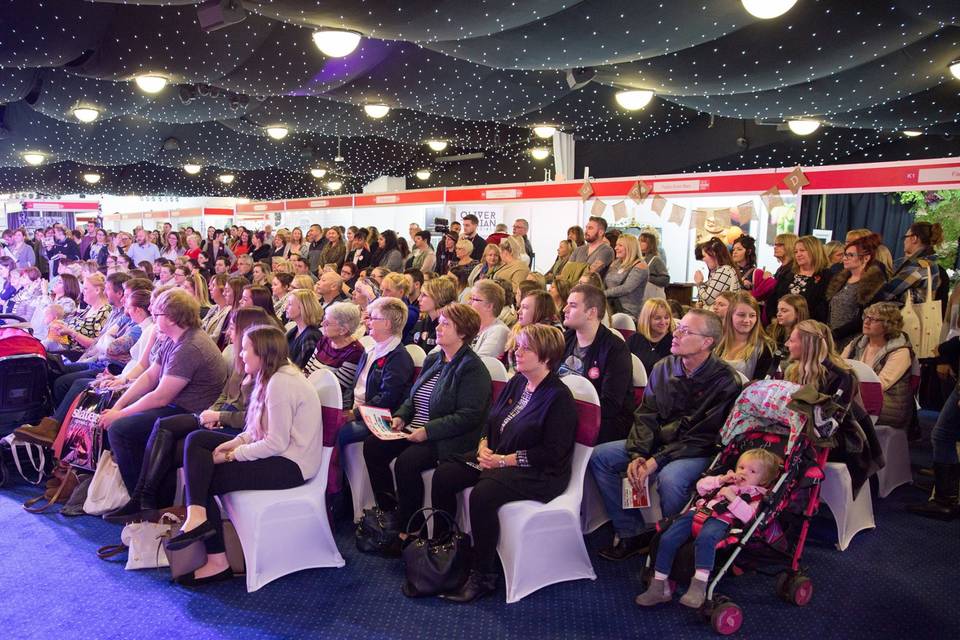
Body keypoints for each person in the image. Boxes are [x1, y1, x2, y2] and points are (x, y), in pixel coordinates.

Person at [165, 326, 323, 586]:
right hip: (280, 453)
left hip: (292, 464)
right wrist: (236, 443)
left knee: (208, 475)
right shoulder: (271, 377)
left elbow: (275, 442)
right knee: (197, 440)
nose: (241, 354)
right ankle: (197, 516)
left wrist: (231, 456)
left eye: (246, 349)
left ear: (262, 352)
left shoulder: (282, 382)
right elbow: (255, 430)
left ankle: (217, 561)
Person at [431, 323, 575, 602]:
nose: (515, 352)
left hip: (539, 472)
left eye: (525, 348)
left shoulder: (558, 398)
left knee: (484, 493)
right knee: (445, 474)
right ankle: (446, 549)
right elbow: (492, 420)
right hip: (498, 458)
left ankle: (483, 574)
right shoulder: (518, 381)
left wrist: (503, 461)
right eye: (517, 345)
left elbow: (552, 453)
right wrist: (484, 445)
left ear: (545, 356)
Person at [589, 308, 741, 560]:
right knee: (600, 457)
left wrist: (656, 460)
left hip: (699, 450)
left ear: (707, 342)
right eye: (678, 328)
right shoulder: (664, 367)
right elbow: (646, 414)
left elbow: (702, 436)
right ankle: (632, 532)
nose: (675, 334)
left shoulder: (726, 381)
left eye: (685, 331)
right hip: (659, 444)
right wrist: (638, 453)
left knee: (671, 479)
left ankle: (676, 545)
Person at [102, 307, 266, 523]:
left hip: (236, 427)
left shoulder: (256, 365)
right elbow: (224, 394)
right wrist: (213, 412)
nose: (228, 332)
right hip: (216, 415)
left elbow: (254, 417)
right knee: (163, 427)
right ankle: (144, 500)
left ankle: (149, 503)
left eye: (233, 328)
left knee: (167, 439)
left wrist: (218, 415)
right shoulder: (239, 358)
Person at [362, 303, 491, 553]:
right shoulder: (435, 358)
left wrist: (428, 431)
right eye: (439, 322)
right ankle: (389, 511)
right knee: (373, 447)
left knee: (407, 462)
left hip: (446, 439)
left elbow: (468, 416)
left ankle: (411, 529)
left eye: (446, 324)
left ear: (463, 332)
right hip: (415, 429)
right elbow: (413, 398)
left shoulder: (473, 369)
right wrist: (400, 416)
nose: (438, 327)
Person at [100, 288, 230, 494]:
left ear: (170, 318)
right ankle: (125, 491)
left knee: (120, 428)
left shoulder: (190, 346)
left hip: (190, 412)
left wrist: (120, 414)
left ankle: (141, 498)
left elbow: (161, 397)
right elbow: (150, 376)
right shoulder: (174, 337)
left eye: (157, 313)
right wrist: (118, 406)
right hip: (176, 405)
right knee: (111, 407)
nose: (153, 315)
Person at [636, 448, 783, 608]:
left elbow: (750, 517)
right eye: (741, 467)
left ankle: (698, 587)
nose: (744, 473)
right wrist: (721, 480)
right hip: (697, 513)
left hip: (722, 520)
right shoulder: (726, 481)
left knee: (706, 539)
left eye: (752, 471)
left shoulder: (758, 495)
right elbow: (700, 487)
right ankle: (659, 586)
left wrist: (733, 498)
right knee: (667, 537)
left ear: (763, 481)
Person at [337, 297, 415, 449]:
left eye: (373, 318)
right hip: (357, 410)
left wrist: (354, 414)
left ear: (387, 324)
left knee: (337, 432)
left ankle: (333, 472)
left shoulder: (398, 357)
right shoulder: (371, 349)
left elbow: (387, 398)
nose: (368, 322)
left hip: (377, 418)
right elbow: (355, 386)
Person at [560, 284, 634, 443]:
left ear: (591, 312)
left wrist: (563, 410)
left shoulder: (615, 349)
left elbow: (610, 405)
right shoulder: (565, 339)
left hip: (602, 422)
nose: (564, 309)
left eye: (572, 305)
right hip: (564, 414)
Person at [842, 302, 917, 428]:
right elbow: (839, 366)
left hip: (888, 408)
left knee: (837, 411)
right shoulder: (858, 342)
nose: (866, 322)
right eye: (866, 317)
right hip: (859, 399)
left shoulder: (900, 351)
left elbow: (880, 385)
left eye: (874, 319)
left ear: (888, 325)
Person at [826, 233, 887, 351]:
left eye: (850, 255)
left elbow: (864, 319)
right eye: (844, 254)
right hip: (833, 340)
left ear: (866, 258)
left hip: (854, 343)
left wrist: (836, 333)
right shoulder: (841, 279)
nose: (844, 258)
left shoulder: (873, 285)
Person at [303, 302, 365, 408]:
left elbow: (334, 389)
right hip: (309, 394)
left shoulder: (355, 352)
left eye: (327, 323)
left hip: (329, 404)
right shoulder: (325, 339)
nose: (322, 324)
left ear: (343, 330)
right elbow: (307, 369)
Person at [876, 221, 944, 305]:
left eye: (905, 237)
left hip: (904, 316)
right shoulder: (930, 263)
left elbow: (888, 292)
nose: (904, 241)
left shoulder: (918, 266)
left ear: (914, 238)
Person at [46, 272, 113, 355]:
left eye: (85, 288)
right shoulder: (89, 308)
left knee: (44, 348)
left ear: (97, 290)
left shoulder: (105, 311)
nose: (82, 291)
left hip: (79, 354)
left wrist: (70, 332)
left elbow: (96, 344)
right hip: (66, 348)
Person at [716, 292, 777, 380]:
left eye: (752, 316)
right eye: (741, 315)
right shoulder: (719, 342)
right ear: (730, 316)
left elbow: (761, 386)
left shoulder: (765, 347)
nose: (747, 320)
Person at [786, 235, 830, 322]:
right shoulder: (788, 274)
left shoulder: (826, 276)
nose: (798, 254)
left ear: (814, 251)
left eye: (802, 250)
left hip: (809, 325)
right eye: (796, 252)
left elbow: (823, 306)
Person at [754, 232, 797, 322]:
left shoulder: (792, 270)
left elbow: (781, 293)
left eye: (780, 245)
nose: (775, 247)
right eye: (775, 244)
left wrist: (769, 281)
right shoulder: (781, 269)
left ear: (790, 246)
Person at [627, 297, 676, 375]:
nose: (663, 322)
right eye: (658, 318)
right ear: (647, 319)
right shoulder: (634, 339)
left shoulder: (674, 341)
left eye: (666, 317)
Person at [604, 234, 649, 318]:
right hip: (611, 308)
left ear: (630, 248)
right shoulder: (616, 263)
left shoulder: (640, 265)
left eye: (620, 245)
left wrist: (604, 293)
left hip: (627, 313)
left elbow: (626, 288)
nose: (615, 248)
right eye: (616, 245)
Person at [411, 276, 457, 353]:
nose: (419, 299)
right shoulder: (422, 321)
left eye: (424, 295)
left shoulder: (449, 327)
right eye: (420, 294)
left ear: (438, 297)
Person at [468, 280, 511, 359]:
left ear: (489, 306)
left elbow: (481, 362)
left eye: (474, 299)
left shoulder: (499, 331)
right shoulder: (470, 326)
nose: (468, 302)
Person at [693, 237, 739, 307]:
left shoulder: (724, 271)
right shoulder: (722, 270)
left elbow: (708, 300)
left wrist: (699, 283)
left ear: (713, 254)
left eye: (704, 256)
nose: (704, 260)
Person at [284, 289, 323, 369]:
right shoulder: (295, 330)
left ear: (303, 308)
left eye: (290, 304)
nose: (285, 307)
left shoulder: (311, 336)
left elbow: (299, 368)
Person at [381, 272, 419, 344]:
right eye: (382, 290)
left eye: (388, 290)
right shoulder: (382, 307)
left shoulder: (411, 312)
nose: (383, 294)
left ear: (401, 292)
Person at [638, 231, 669, 300]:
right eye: (639, 240)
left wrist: (647, 277)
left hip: (653, 298)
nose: (639, 243)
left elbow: (665, 280)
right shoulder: (638, 259)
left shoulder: (655, 260)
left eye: (642, 241)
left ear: (650, 244)